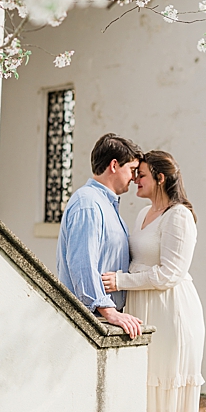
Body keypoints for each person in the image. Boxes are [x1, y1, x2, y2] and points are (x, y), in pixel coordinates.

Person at [101, 150, 206, 412]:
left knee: (164, 387)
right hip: (143, 310)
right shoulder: (145, 213)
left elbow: (170, 273)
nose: (135, 179)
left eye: (141, 175)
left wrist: (121, 280)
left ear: (160, 178)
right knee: (143, 389)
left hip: (171, 313)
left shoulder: (179, 216)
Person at [56, 133, 145, 340]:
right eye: (132, 170)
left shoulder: (106, 205)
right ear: (114, 165)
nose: (134, 178)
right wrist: (108, 310)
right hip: (92, 323)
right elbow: (82, 262)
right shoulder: (88, 203)